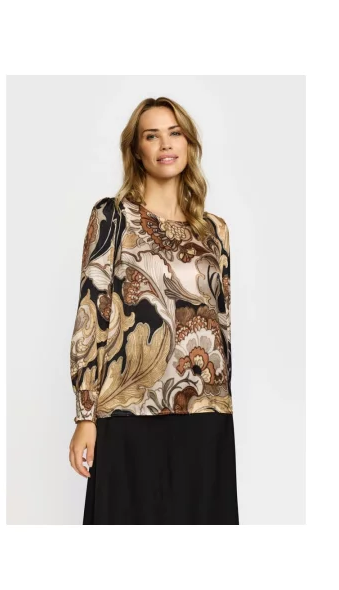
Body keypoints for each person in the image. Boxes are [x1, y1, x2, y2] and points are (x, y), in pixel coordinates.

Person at [68, 96, 239, 525]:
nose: (166, 144)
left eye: (175, 133)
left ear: (188, 143)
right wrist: (86, 415)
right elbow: (92, 313)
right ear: (136, 149)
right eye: (152, 135)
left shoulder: (214, 230)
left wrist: (222, 401)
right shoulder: (112, 217)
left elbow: (223, 322)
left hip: (204, 411)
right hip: (129, 409)